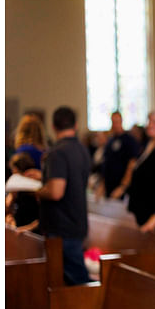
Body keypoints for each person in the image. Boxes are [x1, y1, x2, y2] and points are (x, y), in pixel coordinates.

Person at [36, 106, 92, 285]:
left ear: (53, 126)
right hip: (77, 221)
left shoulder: (57, 152)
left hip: (61, 227)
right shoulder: (82, 149)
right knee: (74, 282)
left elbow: (56, 192)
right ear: (75, 125)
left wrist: (36, 190)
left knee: (75, 284)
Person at [100, 111, 140, 199]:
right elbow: (106, 164)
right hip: (109, 187)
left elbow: (132, 164)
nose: (115, 125)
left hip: (122, 189)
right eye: (113, 122)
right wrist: (102, 185)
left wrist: (123, 186)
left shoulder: (129, 140)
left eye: (117, 122)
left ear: (121, 121)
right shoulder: (110, 141)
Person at [5, 152, 41, 233]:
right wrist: (10, 217)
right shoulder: (16, 188)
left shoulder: (36, 187)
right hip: (20, 231)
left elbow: (45, 216)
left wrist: (28, 228)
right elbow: (9, 208)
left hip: (33, 234)